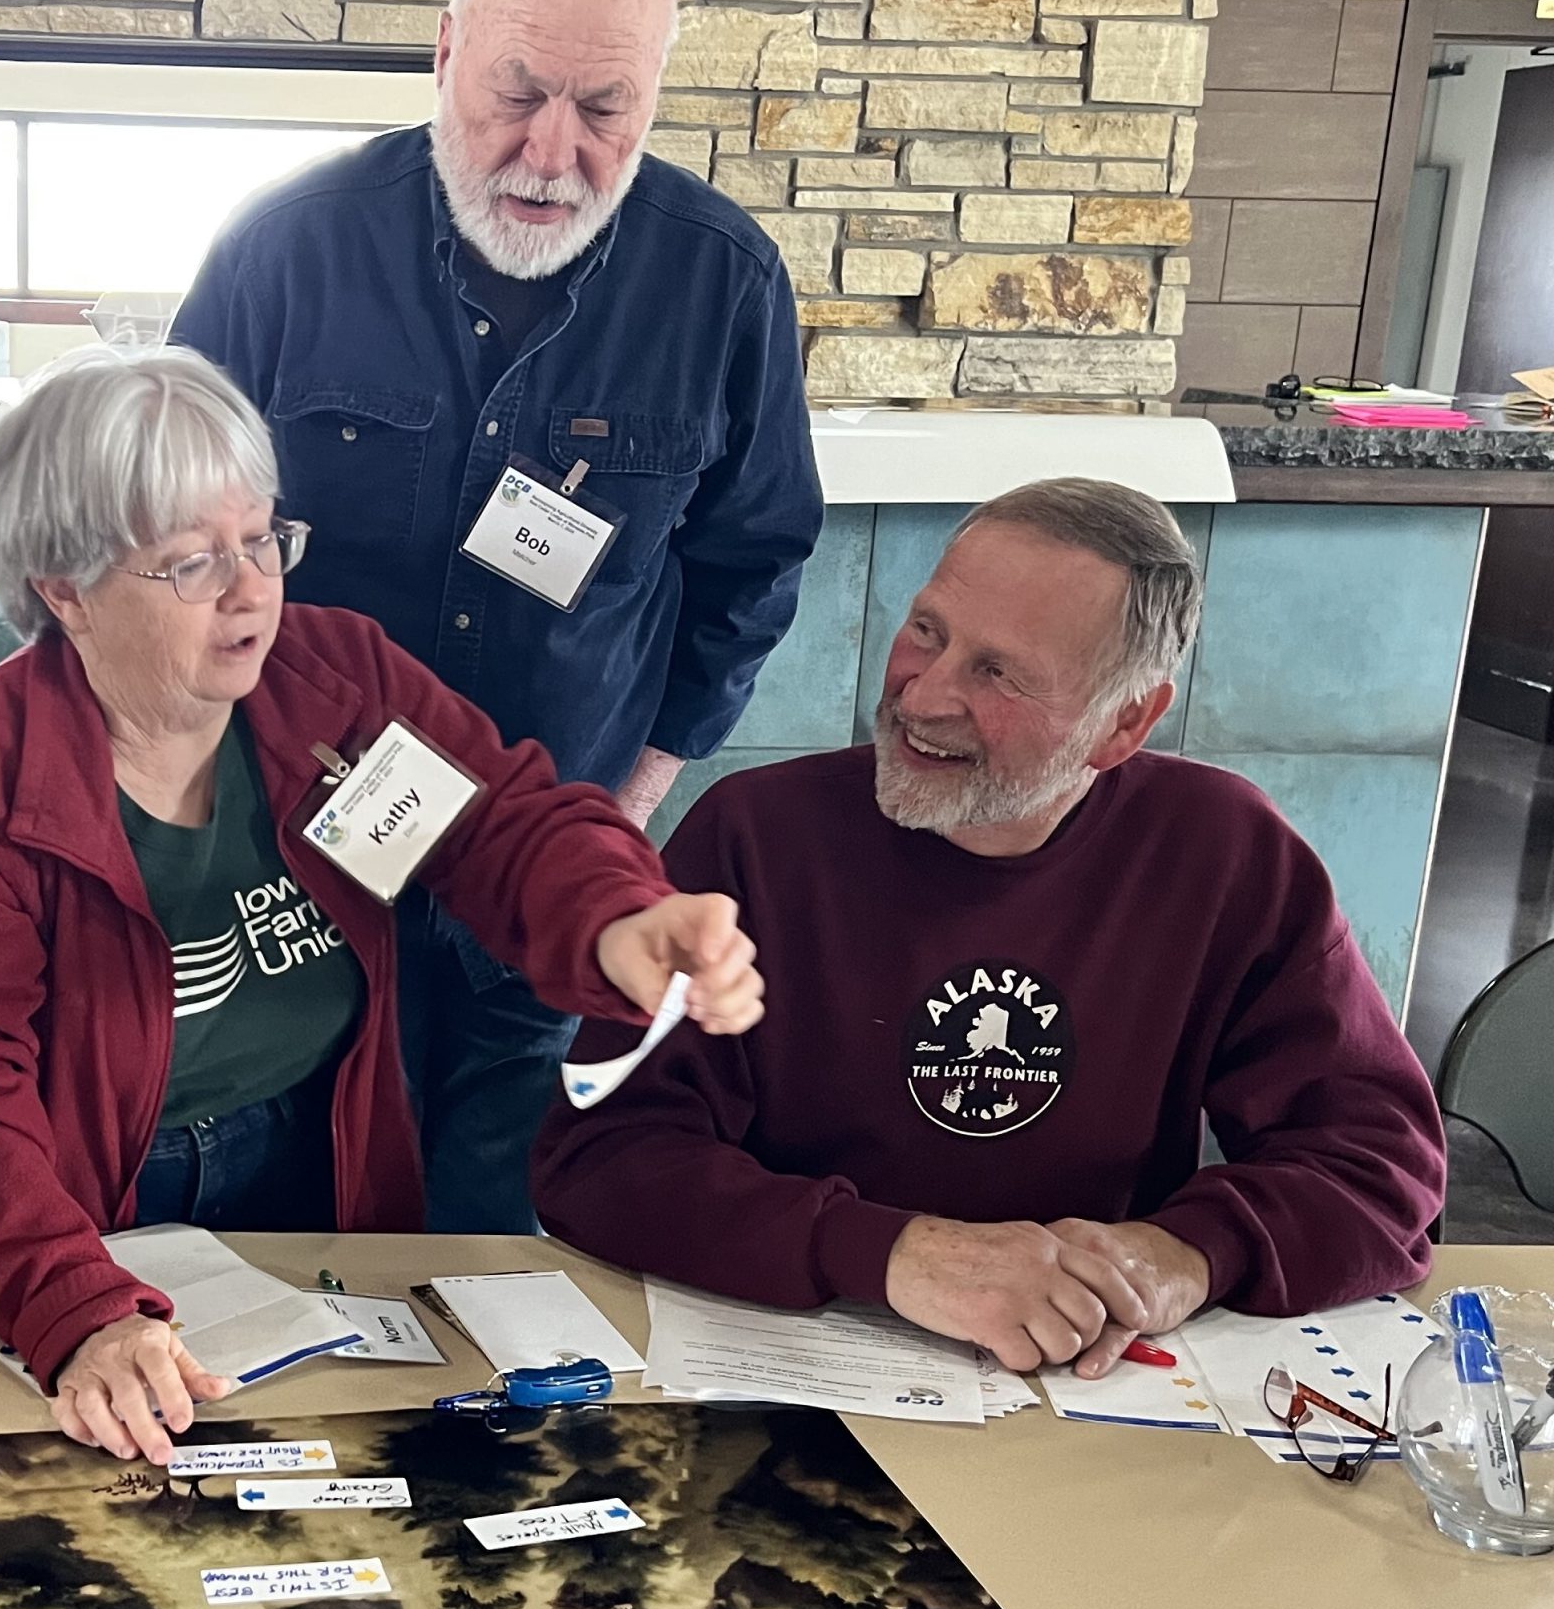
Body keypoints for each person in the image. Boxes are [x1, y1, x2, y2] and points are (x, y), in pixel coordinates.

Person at [0, 346, 764, 1463]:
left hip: (324, 1159)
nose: (252, 590)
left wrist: (620, 915)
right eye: (193, 562)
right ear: (64, 586)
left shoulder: (331, 682)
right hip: (90, 1196)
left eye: (263, 539)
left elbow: (505, 823)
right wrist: (71, 1303)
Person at [174, 0, 822, 1233]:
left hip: (545, 866)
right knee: (285, 1227)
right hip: (295, 863)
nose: (551, 149)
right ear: (446, 50)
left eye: (606, 109)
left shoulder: (724, 282)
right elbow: (163, 537)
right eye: (517, 90)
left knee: (494, 1245)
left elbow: (748, 569)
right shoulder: (285, 249)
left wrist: (626, 802)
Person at [532, 478, 1449, 1377]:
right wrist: (889, 1253)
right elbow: (602, 1158)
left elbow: (1384, 1170)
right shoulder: (755, 837)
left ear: (1124, 724)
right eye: (926, 630)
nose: (922, 697)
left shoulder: (1228, 853)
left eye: (998, 672)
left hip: (1090, 1383)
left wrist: (1185, 1254)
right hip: (795, 1369)